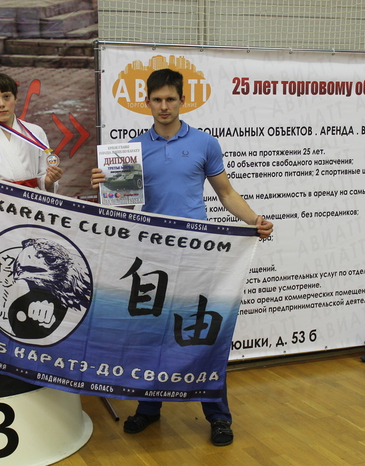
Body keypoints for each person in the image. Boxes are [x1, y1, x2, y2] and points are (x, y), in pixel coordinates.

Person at [91, 68, 274, 447]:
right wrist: (105, 185)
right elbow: (119, 207)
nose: (164, 106)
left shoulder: (206, 143)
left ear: (182, 101)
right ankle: (148, 409)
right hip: (152, 255)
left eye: (170, 99)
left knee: (203, 334)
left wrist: (254, 220)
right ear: (146, 102)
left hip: (196, 255)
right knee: (152, 334)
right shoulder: (131, 149)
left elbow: (226, 193)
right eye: (157, 100)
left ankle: (218, 416)